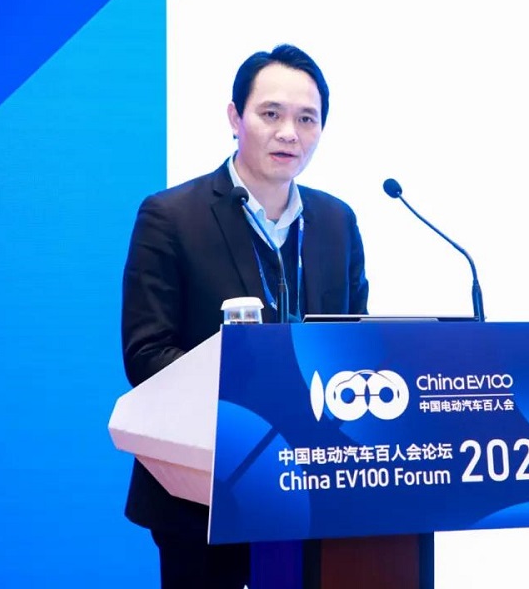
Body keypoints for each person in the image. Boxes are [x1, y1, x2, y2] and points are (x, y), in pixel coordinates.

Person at [120, 44, 369, 588]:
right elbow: (147, 355)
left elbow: (354, 344)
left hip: (315, 489)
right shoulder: (171, 218)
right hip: (204, 490)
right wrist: (249, 395)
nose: (289, 134)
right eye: (270, 114)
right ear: (235, 118)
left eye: (307, 119)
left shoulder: (337, 222)